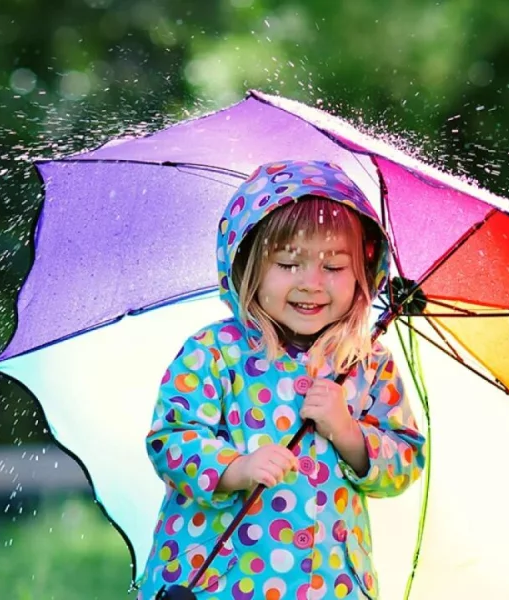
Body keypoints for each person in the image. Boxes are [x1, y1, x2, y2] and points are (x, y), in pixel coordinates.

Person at [136, 160, 426, 600]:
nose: (311, 283)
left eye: (334, 268)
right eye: (289, 263)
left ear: (362, 272)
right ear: (250, 265)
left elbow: (405, 456)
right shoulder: (216, 351)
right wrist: (237, 468)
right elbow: (172, 439)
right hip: (219, 579)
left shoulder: (368, 361)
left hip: (329, 582)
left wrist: (348, 433)